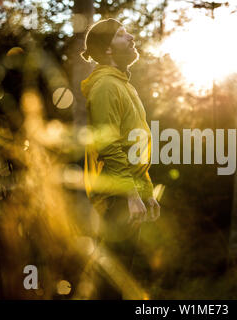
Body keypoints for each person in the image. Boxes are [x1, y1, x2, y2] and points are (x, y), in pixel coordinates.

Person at [80, 18, 160, 299]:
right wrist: (129, 194)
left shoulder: (125, 85)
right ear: (109, 49)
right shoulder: (105, 87)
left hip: (128, 192)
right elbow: (109, 146)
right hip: (117, 196)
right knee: (111, 284)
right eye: (122, 35)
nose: (131, 38)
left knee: (121, 276)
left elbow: (134, 145)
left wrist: (146, 192)